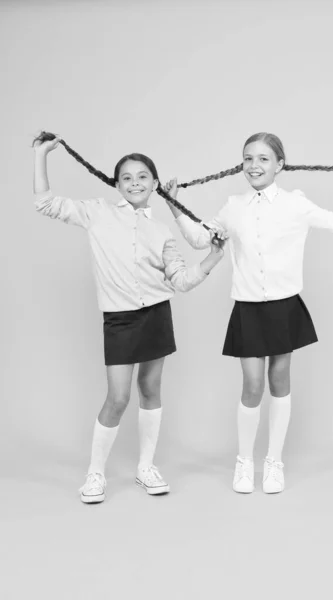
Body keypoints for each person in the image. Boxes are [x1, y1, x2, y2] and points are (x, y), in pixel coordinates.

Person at [164, 131, 333, 494]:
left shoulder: (296, 204)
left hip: (284, 306)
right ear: (240, 165)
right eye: (248, 158)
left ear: (280, 164)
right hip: (248, 307)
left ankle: (273, 461)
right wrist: (172, 205)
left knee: (279, 381)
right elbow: (201, 239)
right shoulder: (233, 207)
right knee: (252, 384)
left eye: (263, 158)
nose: (254, 165)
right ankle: (244, 461)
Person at [33, 132, 227, 503]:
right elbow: (45, 204)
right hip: (119, 319)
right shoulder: (97, 213)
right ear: (116, 184)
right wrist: (42, 154)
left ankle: (145, 468)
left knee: (150, 390)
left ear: (155, 183)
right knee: (118, 396)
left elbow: (182, 281)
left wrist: (214, 257)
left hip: (156, 314)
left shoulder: (162, 230)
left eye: (142, 177)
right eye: (126, 177)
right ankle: (94, 474)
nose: (135, 183)